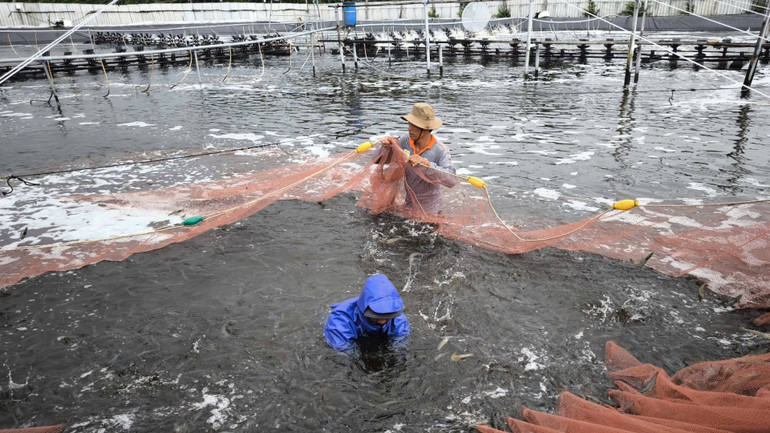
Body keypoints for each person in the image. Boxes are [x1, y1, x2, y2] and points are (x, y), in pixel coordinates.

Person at [378, 103, 458, 214]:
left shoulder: (440, 150)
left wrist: (427, 165)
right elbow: (378, 161)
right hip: (408, 206)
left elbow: (452, 181)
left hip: (430, 211)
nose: (410, 129)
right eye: (410, 124)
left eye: (414, 125)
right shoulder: (406, 140)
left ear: (426, 128)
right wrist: (386, 147)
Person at [324, 274, 410, 353]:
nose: (382, 321)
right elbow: (344, 353)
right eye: (377, 316)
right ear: (365, 310)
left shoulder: (398, 318)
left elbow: (401, 346)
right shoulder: (339, 320)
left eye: (387, 316)